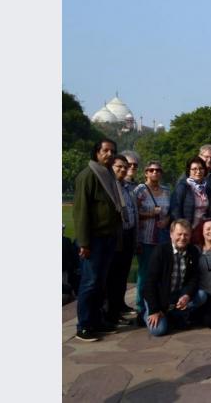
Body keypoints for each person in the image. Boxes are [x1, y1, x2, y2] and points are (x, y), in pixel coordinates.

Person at [73, 139, 123, 341]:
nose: (109, 154)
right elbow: (81, 211)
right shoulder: (88, 176)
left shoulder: (108, 175)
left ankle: (97, 321)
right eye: (105, 150)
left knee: (101, 282)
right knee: (90, 282)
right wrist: (84, 243)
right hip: (94, 240)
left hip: (108, 237)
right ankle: (84, 325)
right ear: (96, 152)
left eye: (112, 151)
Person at [142, 219, 207, 337]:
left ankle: (174, 314)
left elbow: (194, 278)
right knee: (158, 330)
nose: (182, 238)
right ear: (171, 234)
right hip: (159, 297)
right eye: (179, 234)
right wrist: (154, 310)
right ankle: (146, 313)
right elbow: (150, 283)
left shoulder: (193, 251)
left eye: (186, 234)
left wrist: (187, 295)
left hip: (178, 296)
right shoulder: (160, 251)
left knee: (202, 295)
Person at [133, 160, 171, 320]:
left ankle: (158, 305)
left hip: (162, 237)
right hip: (146, 237)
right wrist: (150, 215)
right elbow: (133, 212)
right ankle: (141, 307)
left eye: (158, 170)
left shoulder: (166, 190)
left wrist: (166, 220)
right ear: (146, 173)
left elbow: (170, 211)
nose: (155, 172)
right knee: (145, 273)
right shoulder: (140, 190)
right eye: (151, 170)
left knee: (162, 272)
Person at [105, 154, 139, 325]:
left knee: (122, 275)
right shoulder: (109, 186)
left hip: (128, 234)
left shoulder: (127, 187)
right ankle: (110, 313)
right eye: (119, 166)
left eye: (125, 167)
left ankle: (117, 308)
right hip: (116, 236)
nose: (124, 169)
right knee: (112, 276)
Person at [170, 156, 211, 227]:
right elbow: (175, 210)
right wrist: (182, 227)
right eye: (194, 169)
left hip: (203, 229)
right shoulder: (182, 187)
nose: (198, 171)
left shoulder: (206, 188)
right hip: (187, 228)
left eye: (201, 168)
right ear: (189, 171)